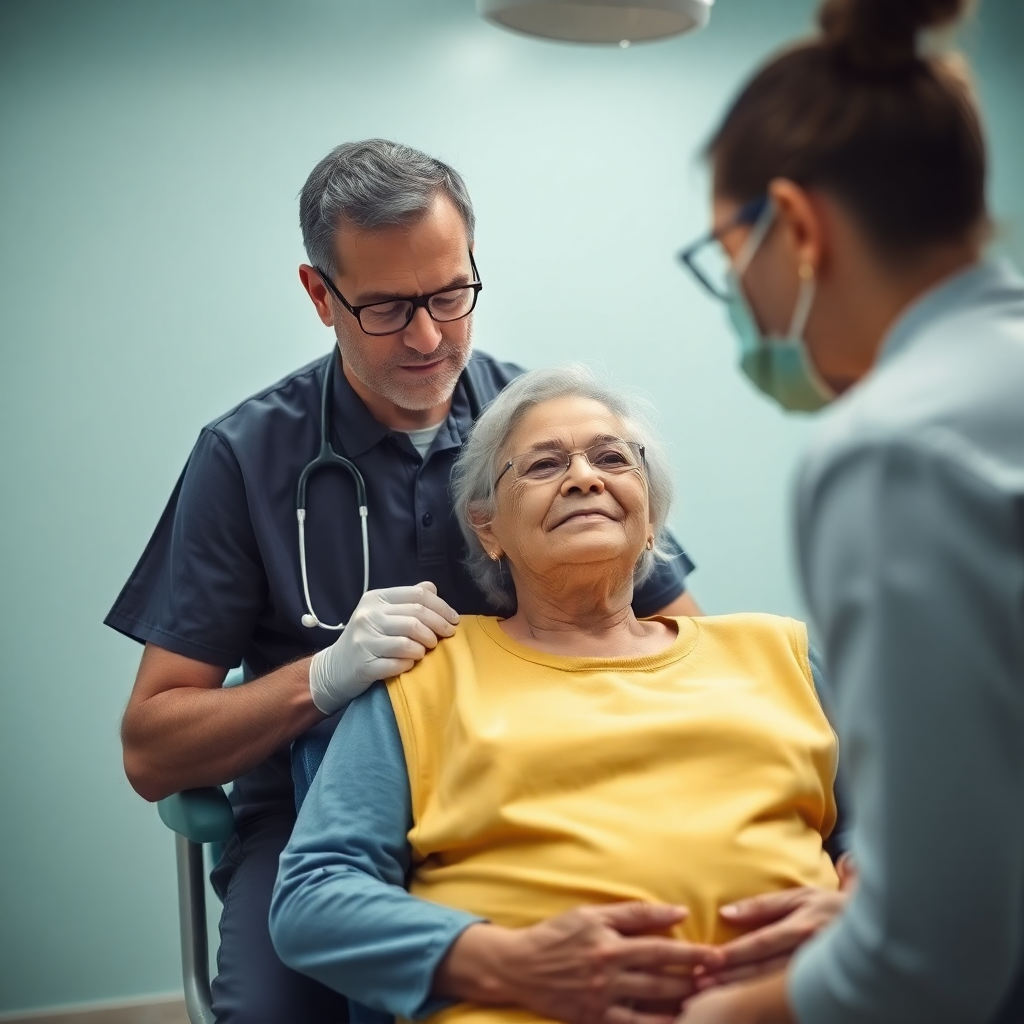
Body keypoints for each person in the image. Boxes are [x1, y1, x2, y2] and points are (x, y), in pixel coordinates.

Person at [105, 140, 700, 1024]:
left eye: (450, 296)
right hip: (320, 814)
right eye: (384, 307)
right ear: (320, 295)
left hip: (538, 778)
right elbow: (151, 750)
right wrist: (319, 680)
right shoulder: (245, 457)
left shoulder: (540, 428)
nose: (427, 338)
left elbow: (689, 648)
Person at [270, 364, 845, 1024]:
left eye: (610, 457)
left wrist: (862, 907)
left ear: (652, 515)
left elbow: (904, 835)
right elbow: (312, 897)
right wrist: (507, 960)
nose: (584, 477)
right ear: (487, 528)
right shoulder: (422, 678)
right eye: (544, 466)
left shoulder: (779, 655)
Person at [674, 1, 1024, 1021]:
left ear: (795, 225)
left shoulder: (890, 451)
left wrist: (725, 1014)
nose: (738, 294)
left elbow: (927, 963)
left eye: (728, 254)